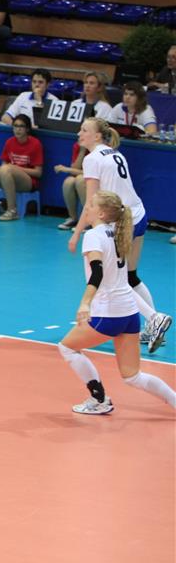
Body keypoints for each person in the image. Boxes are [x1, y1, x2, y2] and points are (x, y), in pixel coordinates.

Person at [57, 190, 176, 415]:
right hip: (129, 315)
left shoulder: (94, 235)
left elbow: (97, 273)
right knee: (133, 376)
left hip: (108, 313)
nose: (87, 207)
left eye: (91, 204)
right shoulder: (118, 232)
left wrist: (85, 304)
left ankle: (99, 400)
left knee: (67, 348)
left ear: (101, 213)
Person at [68, 117, 171, 353]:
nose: (79, 134)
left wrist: (76, 233)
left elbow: (91, 202)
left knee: (116, 280)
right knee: (130, 275)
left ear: (97, 136)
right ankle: (154, 327)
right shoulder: (114, 153)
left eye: (84, 130)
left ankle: (154, 318)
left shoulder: (92, 159)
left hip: (123, 222)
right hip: (138, 214)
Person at [0, 113, 43, 222]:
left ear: (27, 129)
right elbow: (3, 164)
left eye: (21, 126)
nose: (18, 129)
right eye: (15, 126)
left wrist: (15, 168)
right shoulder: (10, 142)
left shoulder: (35, 144)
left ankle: (12, 210)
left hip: (28, 182)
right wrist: (10, 168)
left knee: (7, 168)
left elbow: (38, 173)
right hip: (8, 177)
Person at [53, 142, 89, 231]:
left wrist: (66, 169)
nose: (79, 134)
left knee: (80, 180)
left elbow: (93, 174)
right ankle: (73, 218)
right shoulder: (79, 145)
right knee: (68, 182)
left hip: (100, 182)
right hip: (84, 177)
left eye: (84, 131)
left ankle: (89, 220)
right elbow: (75, 169)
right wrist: (82, 151)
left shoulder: (100, 148)